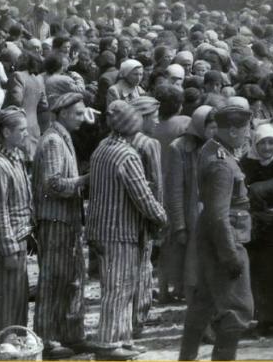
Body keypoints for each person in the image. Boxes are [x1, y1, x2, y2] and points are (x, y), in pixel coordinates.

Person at [86, 100, 167, 360]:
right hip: (120, 231)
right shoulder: (127, 155)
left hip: (100, 228)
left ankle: (122, 338)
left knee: (117, 287)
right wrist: (161, 216)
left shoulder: (102, 148)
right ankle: (109, 343)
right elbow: (142, 196)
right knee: (118, 289)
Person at [179, 104, 255, 361]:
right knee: (237, 309)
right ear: (232, 130)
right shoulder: (222, 164)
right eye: (246, 129)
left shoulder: (211, 149)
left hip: (212, 236)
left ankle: (186, 357)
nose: (248, 134)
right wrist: (230, 255)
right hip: (226, 239)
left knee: (204, 302)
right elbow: (219, 214)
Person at [32, 93, 90, 359]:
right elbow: (53, 184)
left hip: (66, 220)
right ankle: (47, 339)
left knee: (70, 279)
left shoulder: (62, 137)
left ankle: (68, 333)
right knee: (53, 281)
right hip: (54, 221)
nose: (82, 118)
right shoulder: (54, 141)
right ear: (64, 113)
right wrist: (84, 181)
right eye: (78, 113)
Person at [0, 107, 33, 360]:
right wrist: (9, 249)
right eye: (21, 130)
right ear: (6, 132)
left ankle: (13, 351)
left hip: (20, 238)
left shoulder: (16, 158)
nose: (26, 134)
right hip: (9, 243)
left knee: (17, 302)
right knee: (5, 302)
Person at [240, 123, 273, 338]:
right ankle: (264, 319)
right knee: (260, 272)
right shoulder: (247, 163)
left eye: (272, 142)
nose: (267, 147)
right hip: (257, 225)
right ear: (255, 143)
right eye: (263, 143)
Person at [165, 106, 217, 305]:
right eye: (211, 127)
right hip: (192, 217)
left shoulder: (219, 147)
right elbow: (175, 191)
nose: (214, 131)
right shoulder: (179, 148)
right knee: (192, 270)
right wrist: (179, 225)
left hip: (214, 215)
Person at [128, 96, 163, 339]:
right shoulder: (149, 143)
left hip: (127, 212)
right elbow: (157, 183)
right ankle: (139, 319)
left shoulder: (123, 140)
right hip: (146, 210)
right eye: (155, 116)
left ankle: (133, 317)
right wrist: (159, 215)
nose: (157, 121)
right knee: (144, 265)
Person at [3, 52, 49, 160]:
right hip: (34, 126)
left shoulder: (17, 76)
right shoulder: (39, 79)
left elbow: (16, 100)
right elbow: (44, 104)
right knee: (30, 161)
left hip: (17, 126)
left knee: (15, 160)